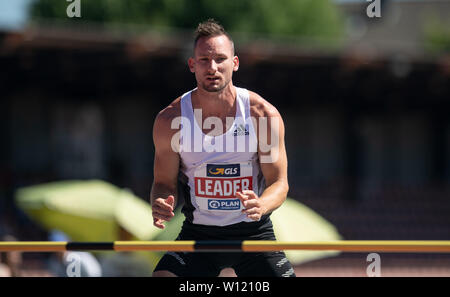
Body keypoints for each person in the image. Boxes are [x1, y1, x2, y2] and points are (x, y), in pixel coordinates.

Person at [150, 19, 295, 277]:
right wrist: (159, 201)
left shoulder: (262, 115)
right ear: (192, 65)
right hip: (198, 235)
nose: (213, 67)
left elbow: (279, 183)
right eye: (204, 60)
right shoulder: (170, 121)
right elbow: (163, 182)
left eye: (220, 59)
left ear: (235, 63)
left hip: (253, 235)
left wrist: (261, 205)